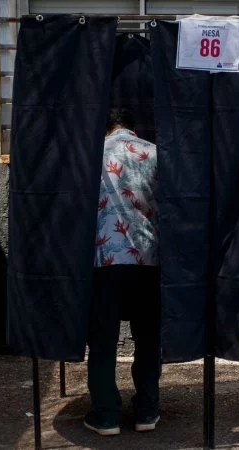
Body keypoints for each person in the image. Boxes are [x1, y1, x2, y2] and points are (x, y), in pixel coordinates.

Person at [84, 109, 161, 436]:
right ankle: (147, 410)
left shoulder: (91, 155)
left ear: (106, 129)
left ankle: (106, 415)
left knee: (102, 340)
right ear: (132, 127)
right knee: (148, 338)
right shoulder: (154, 153)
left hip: (105, 259)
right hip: (148, 258)